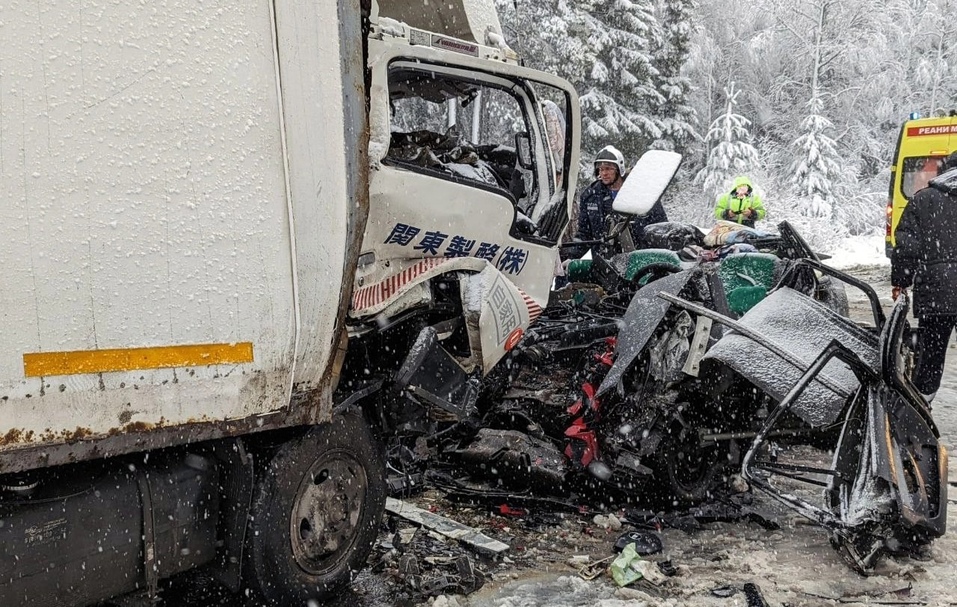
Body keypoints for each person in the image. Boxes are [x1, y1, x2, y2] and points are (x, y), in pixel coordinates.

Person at [891, 151, 957, 403]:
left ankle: (920, 410)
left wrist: (900, 281)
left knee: (930, 358)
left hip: (935, 293)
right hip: (936, 291)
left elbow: (906, 247)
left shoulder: (924, 200)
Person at [574, 145, 668, 249]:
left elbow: (661, 227)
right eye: (600, 169)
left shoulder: (642, 192)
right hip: (604, 259)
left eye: (608, 169)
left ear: (619, 169)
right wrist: (572, 257)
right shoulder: (590, 196)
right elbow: (584, 234)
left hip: (639, 256)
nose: (604, 173)